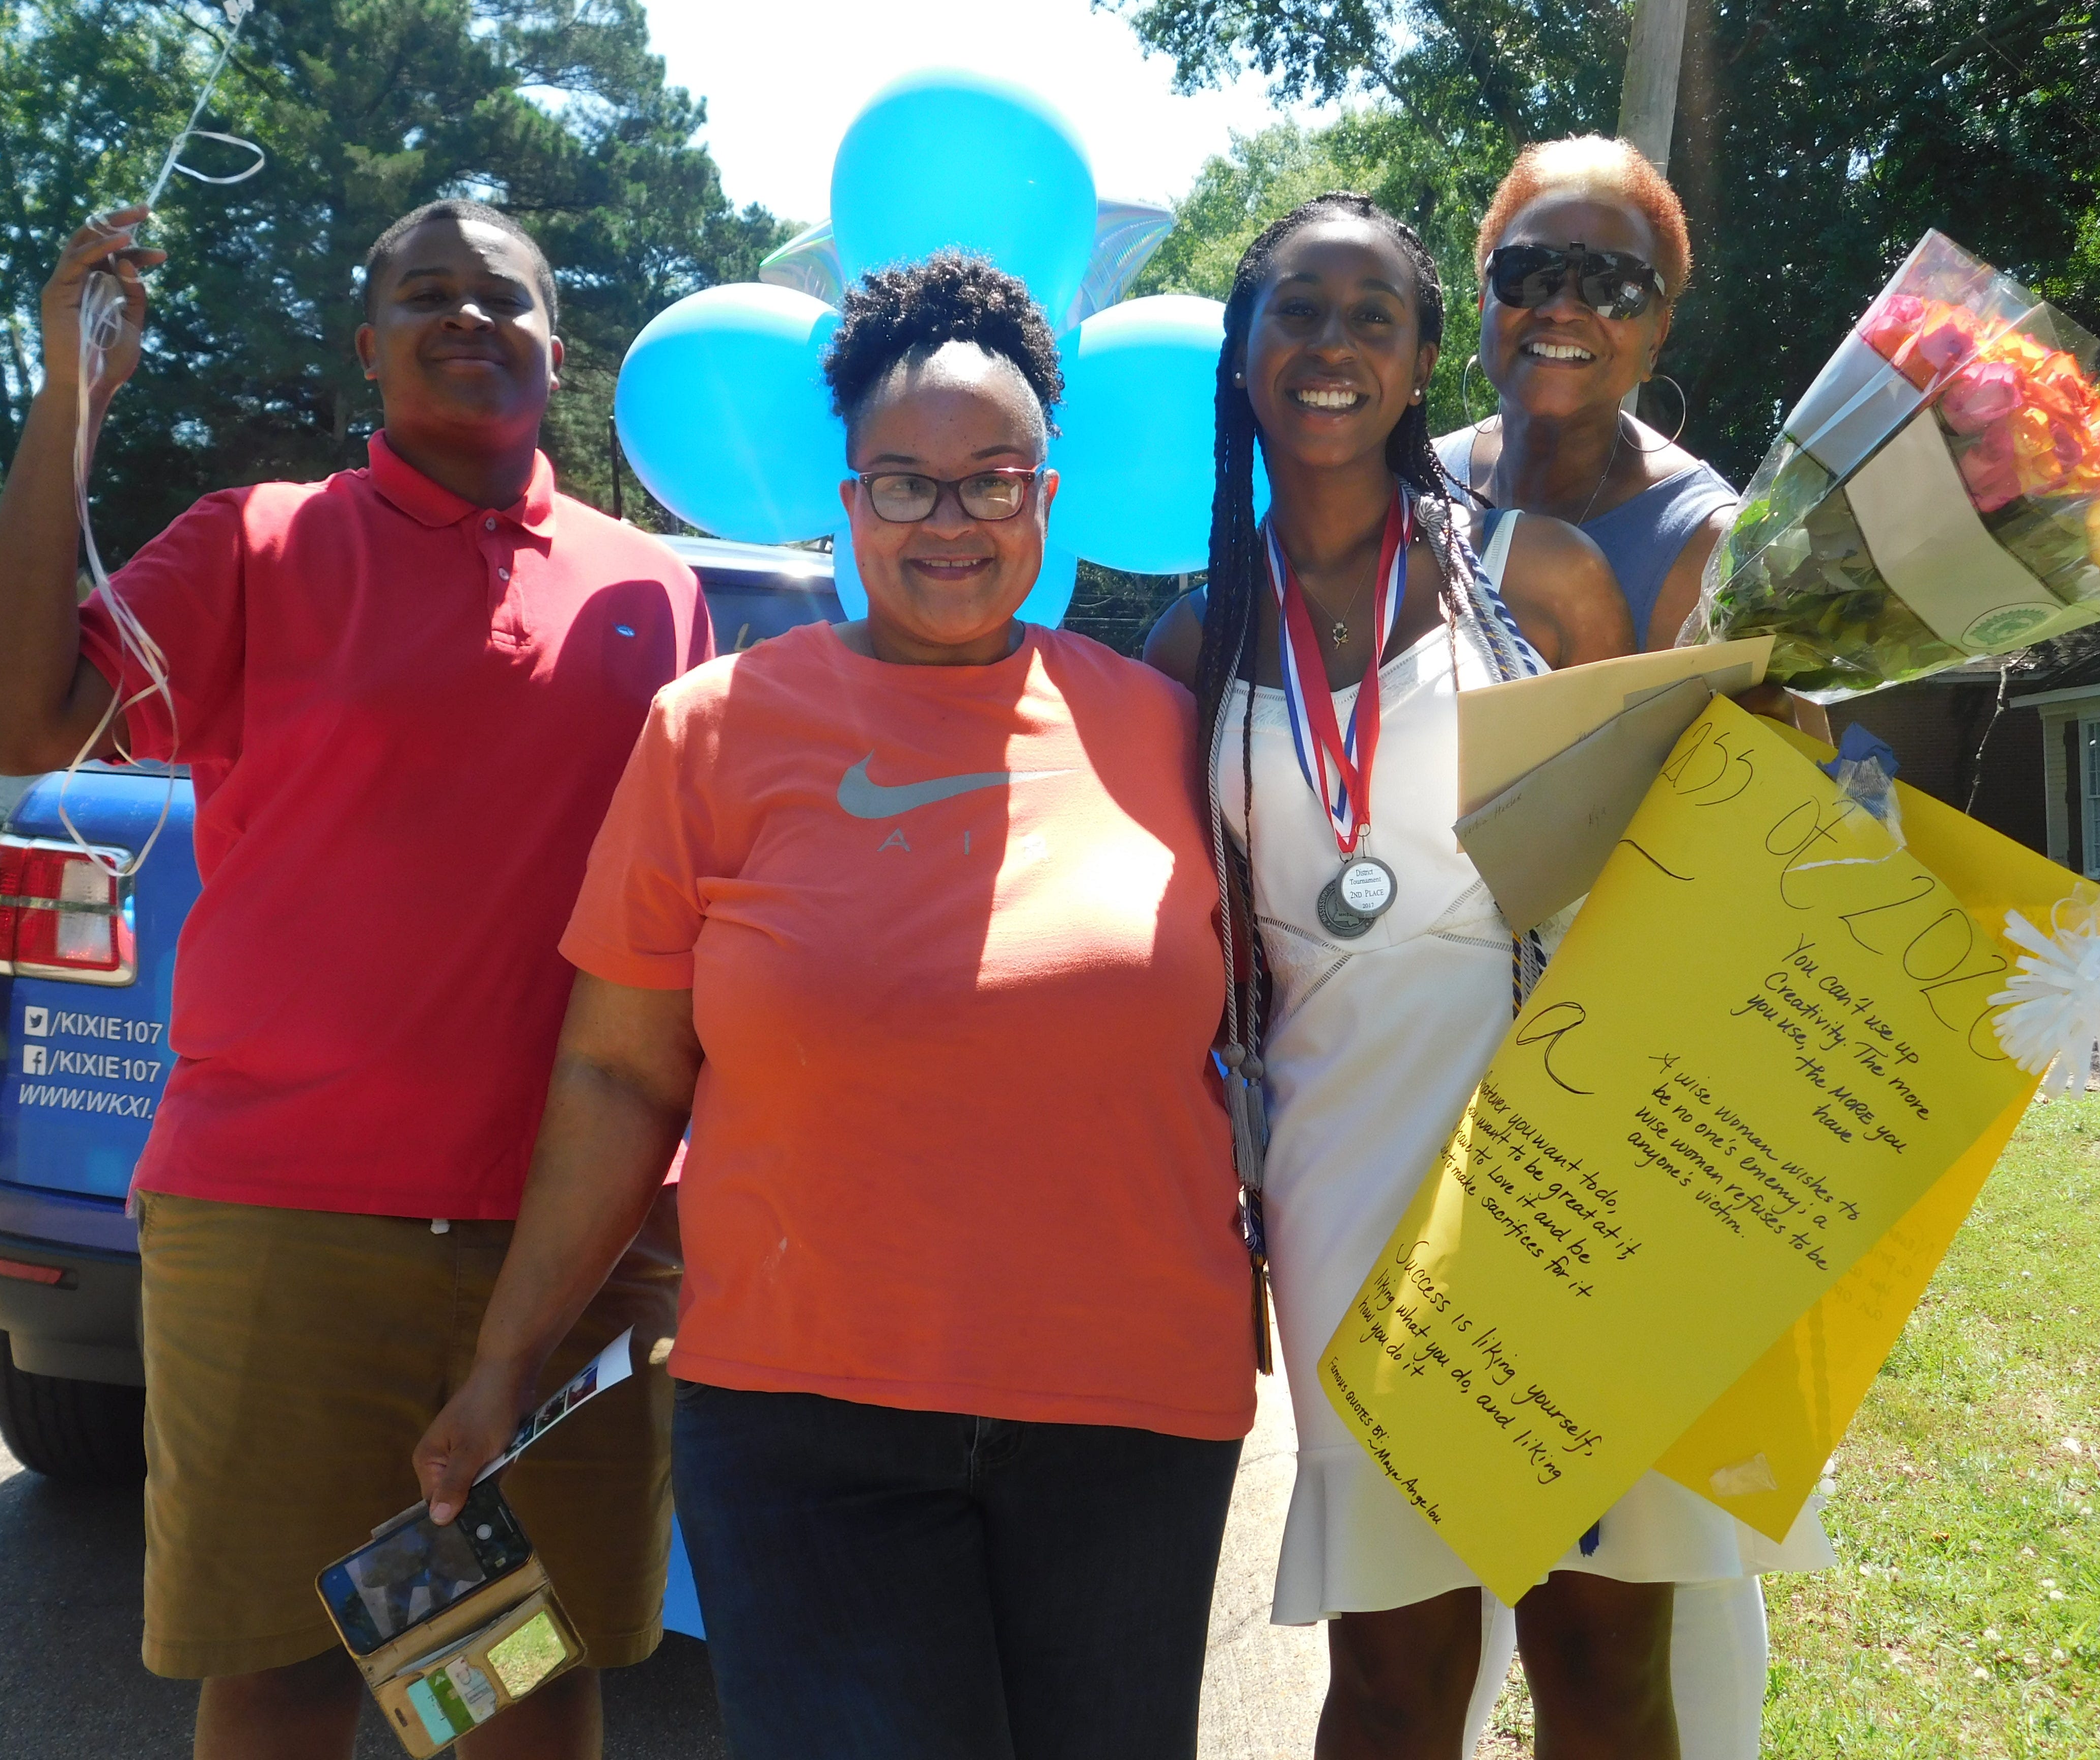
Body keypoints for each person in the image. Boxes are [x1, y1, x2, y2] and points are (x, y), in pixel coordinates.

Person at [413, 252, 1256, 1760]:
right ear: (849, 501)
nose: (951, 519)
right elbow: (619, 1078)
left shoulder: (1165, 733)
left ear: (1047, 498)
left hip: (1130, 1414)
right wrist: (503, 1360)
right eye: (907, 482)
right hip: (806, 1421)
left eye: (992, 480)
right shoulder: (713, 732)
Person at [0, 198, 709, 1758]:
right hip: (284, 1224)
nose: (465, 314)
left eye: (500, 294)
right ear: (368, 347)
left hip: (569, 1237)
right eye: (424, 294)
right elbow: (16, 725)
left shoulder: (654, 590)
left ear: (556, 345)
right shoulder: (257, 540)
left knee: (518, 1684)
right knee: (286, 1674)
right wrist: (70, 404)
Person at [1145, 191, 1831, 1760]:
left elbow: (1663, 849)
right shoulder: (1196, 641)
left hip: (1567, 1153)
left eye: (1371, 317)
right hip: (1342, 1175)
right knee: (1395, 1676)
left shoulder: (1544, 581)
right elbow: (1193, 960)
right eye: (1296, 312)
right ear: (1242, 354)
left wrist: (1778, 761)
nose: (1331, 345)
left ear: (1420, 360)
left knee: (1602, 1658)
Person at [1435, 135, 1737, 654]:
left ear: (1657, 337)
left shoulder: (1707, 552)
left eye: (1614, 285)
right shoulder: (1415, 480)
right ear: (1485, 302)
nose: (1562, 309)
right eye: (1528, 271)